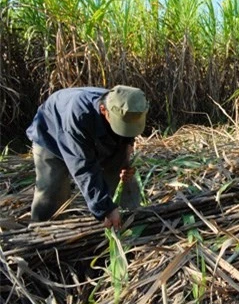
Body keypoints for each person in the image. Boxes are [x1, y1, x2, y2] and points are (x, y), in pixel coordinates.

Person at [26, 85, 149, 230]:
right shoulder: (78, 116)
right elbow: (84, 168)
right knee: (52, 190)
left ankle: (133, 221)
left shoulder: (133, 105)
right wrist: (105, 209)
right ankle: (42, 234)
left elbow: (128, 129)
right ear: (104, 110)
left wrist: (126, 153)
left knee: (122, 178)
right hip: (51, 133)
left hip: (96, 131)